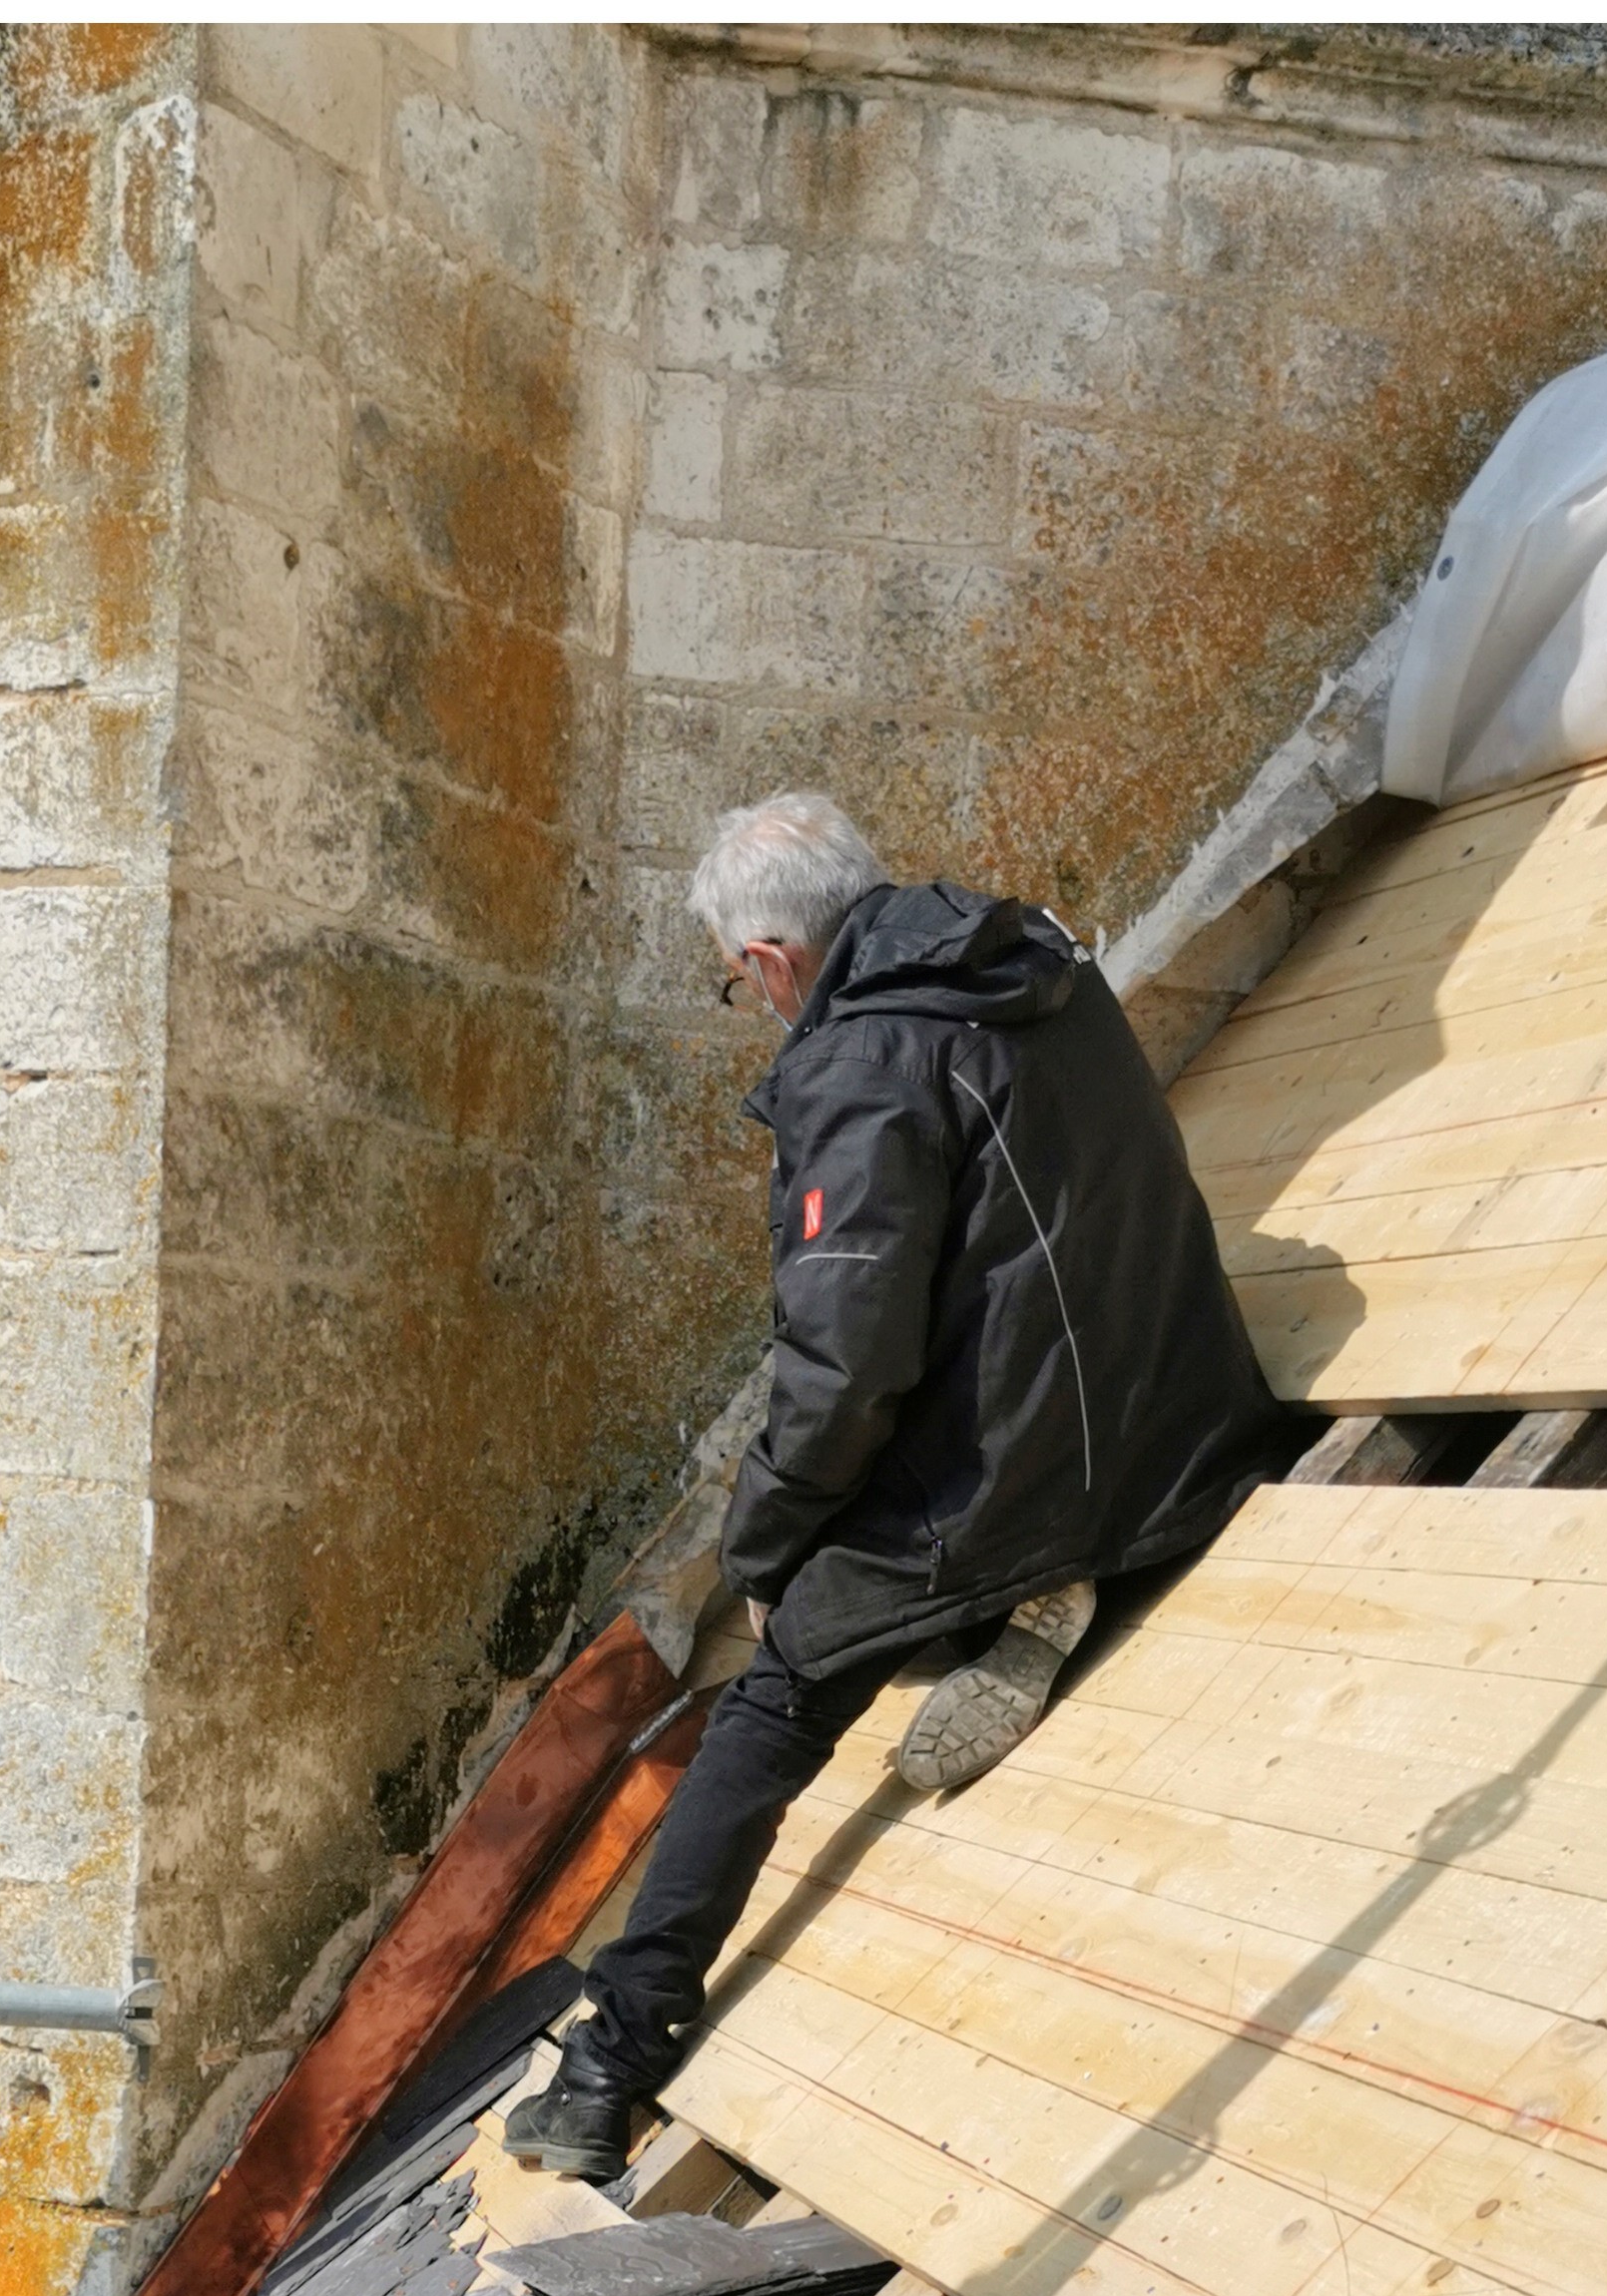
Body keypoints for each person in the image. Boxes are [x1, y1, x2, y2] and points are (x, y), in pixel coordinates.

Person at [507, 792, 1290, 2180]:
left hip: (1042, 1463)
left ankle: (611, 2056)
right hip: (1187, 1407)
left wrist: (765, 1536)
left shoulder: (857, 1063)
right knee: (841, 1567)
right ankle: (1040, 1588)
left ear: (767, 963)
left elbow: (846, 1356)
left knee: (771, 1692)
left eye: (735, 984)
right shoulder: (1030, 951)